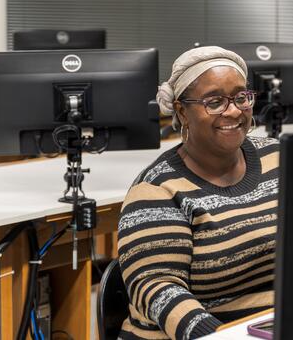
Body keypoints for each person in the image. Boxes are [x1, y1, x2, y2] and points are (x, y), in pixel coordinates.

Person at [117, 46, 279, 340]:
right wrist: (218, 336)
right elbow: (158, 286)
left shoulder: (278, 159)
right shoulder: (157, 189)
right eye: (214, 102)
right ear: (182, 111)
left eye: (241, 97)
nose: (233, 111)